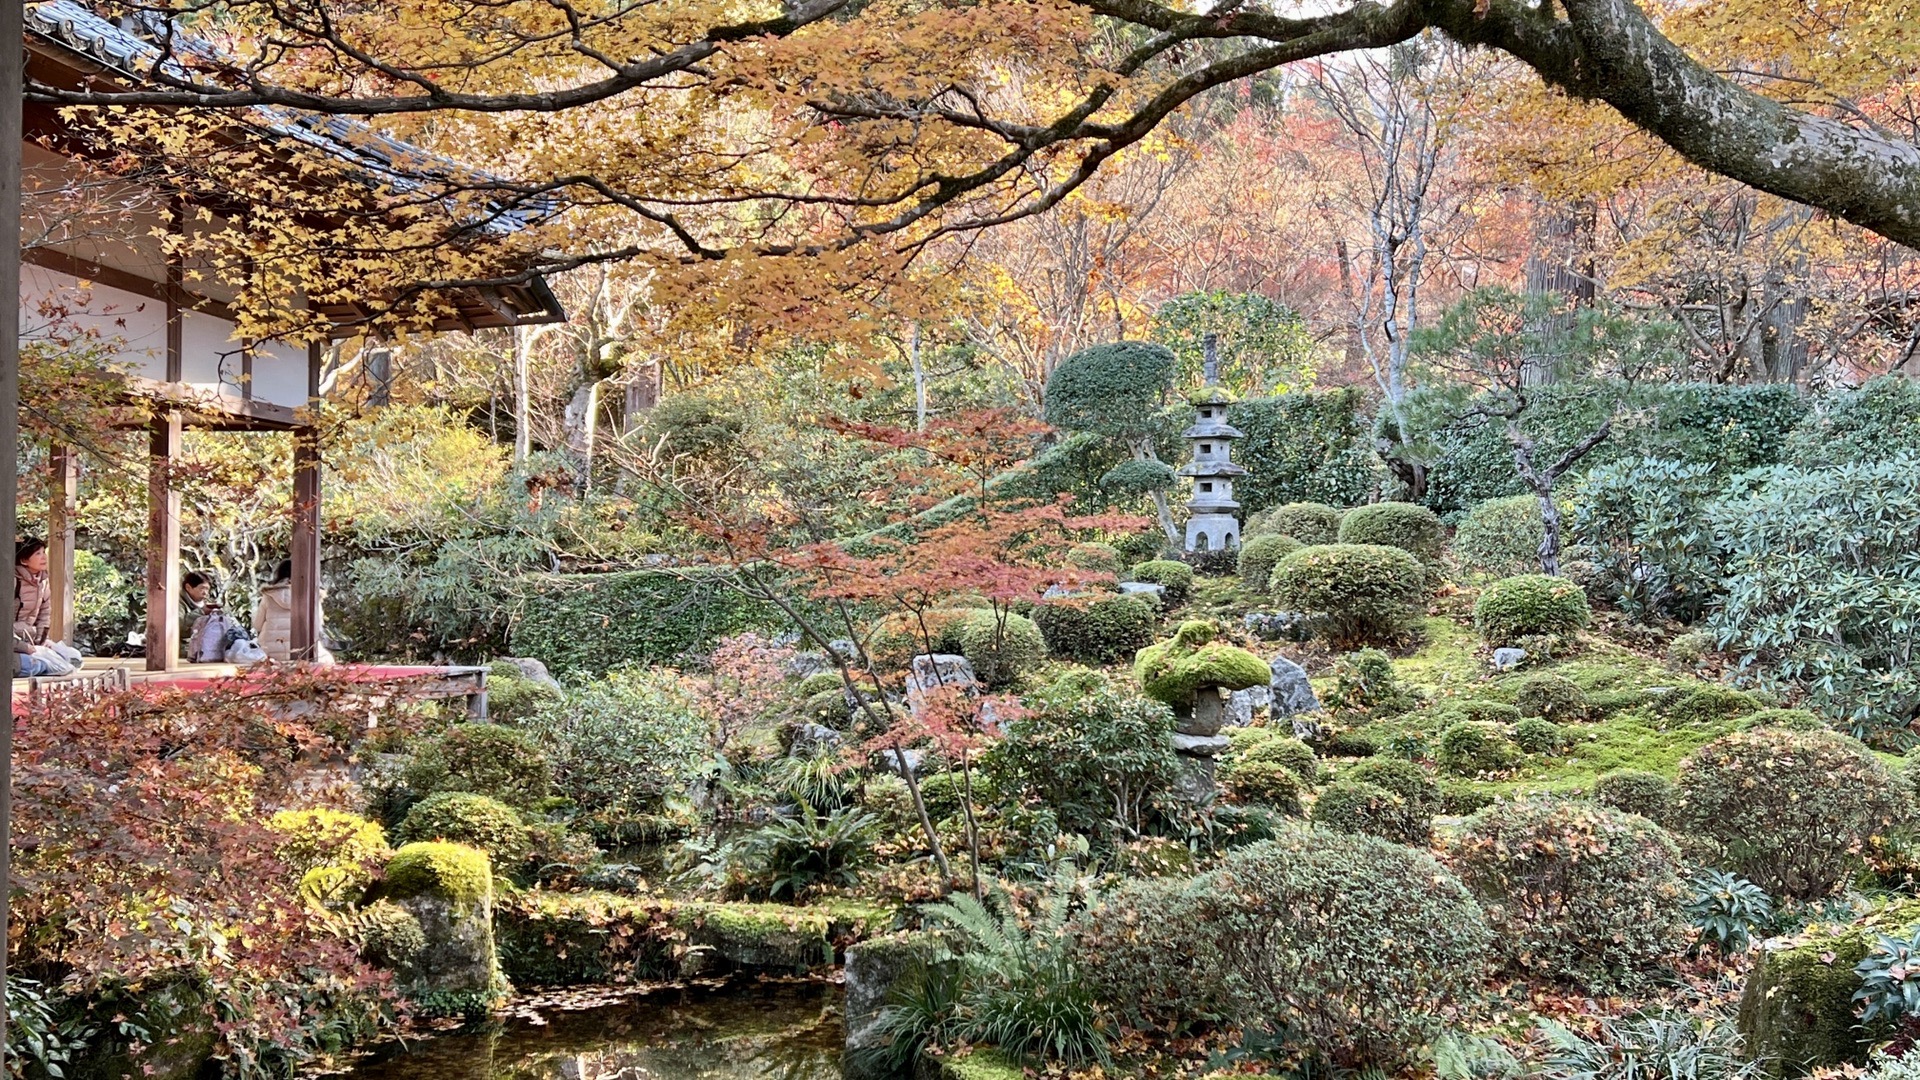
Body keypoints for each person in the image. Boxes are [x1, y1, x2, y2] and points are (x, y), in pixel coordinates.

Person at [253, 559, 334, 663]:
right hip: (303, 653)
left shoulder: (269, 595)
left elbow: (257, 625)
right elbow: (317, 627)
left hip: (269, 654)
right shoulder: (312, 596)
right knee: (328, 661)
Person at [14, 538, 53, 676]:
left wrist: (40, 643)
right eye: (37, 554)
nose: (44, 557)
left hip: (30, 639)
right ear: (24, 560)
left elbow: (45, 614)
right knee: (36, 667)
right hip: (13, 643)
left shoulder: (43, 581)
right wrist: (25, 647)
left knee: (73, 658)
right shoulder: (13, 581)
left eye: (44, 552)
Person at [180, 570, 213, 656]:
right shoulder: (177, 602)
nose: (205, 592)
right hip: (180, 645)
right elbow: (179, 626)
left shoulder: (206, 602)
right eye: (202, 588)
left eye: (207, 589)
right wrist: (201, 612)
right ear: (188, 587)